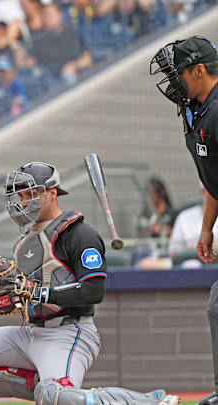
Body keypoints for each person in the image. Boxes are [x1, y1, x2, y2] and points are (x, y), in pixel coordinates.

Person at [0, 161, 178, 405]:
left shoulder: (80, 234)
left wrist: (40, 294)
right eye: (21, 195)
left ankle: (144, 403)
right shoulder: (25, 242)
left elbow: (93, 291)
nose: (23, 201)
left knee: (56, 396)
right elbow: (26, 294)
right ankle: (51, 391)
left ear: (52, 193)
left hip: (69, 332)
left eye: (31, 193)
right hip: (29, 332)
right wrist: (13, 298)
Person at [151, 36, 218, 405]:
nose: (173, 82)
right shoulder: (201, 109)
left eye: (177, 73)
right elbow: (214, 183)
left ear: (199, 70)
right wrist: (207, 227)